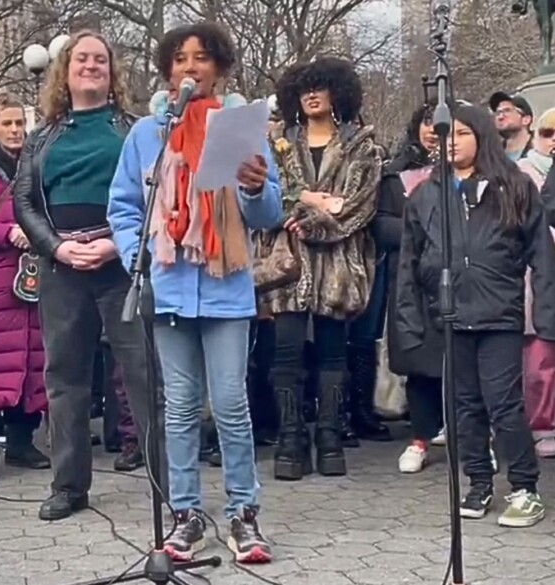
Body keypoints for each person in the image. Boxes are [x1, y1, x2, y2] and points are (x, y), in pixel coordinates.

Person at [108, 22, 282, 563]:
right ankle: (186, 516)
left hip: (227, 287)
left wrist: (255, 189)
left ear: (220, 67)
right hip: (169, 288)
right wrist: (139, 251)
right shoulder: (145, 134)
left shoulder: (242, 126)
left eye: (202, 58)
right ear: (167, 70)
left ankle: (243, 514)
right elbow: (123, 206)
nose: (190, 67)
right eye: (180, 58)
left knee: (230, 404)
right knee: (179, 408)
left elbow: (270, 211)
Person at [13, 30, 155, 522]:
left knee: (143, 374)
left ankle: (169, 490)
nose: (91, 66)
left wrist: (119, 244)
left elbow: (155, 194)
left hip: (122, 265)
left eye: (100, 59)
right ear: (64, 71)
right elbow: (24, 201)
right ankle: (69, 486)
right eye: (81, 59)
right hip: (62, 266)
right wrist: (57, 247)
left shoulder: (135, 131)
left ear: (112, 71)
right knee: (66, 380)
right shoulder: (42, 137)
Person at [397, 104, 555, 527]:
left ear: (482, 136)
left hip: (499, 312)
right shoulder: (427, 194)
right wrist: (410, 319)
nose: (453, 142)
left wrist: (545, 315)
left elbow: (541, 253)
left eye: (463, 133)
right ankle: (478, 482)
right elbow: (410, 260)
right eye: (446, 134)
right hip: (450, 314)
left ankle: (525, 487)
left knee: (503, 403)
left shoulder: (515, 186)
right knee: (463, 406)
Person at [255, 58, 382, 480]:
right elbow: (270, 197)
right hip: (287, 263)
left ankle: (329, 436)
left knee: (333, 351)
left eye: (321, 87)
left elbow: (357, 204)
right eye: (305, 88)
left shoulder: (361, 144)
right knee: (286, 351)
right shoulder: (275, 142)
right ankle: (291, 438)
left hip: (338, 264)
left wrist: (312, 214)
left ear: (336, 93)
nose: (312, 95)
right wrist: (315, 202)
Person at [0, 93, 49, 486]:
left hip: (35, 277)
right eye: (8, 124)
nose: (16, 130)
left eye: (20, 123)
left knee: (35, 357)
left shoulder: (36, 167)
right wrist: (7, 233)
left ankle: (22, 440)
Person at [374, 102, 445, 474]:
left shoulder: (472, 172)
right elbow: (382, 226)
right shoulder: (395, 174)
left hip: (457, 281)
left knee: (462, 362)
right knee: (417, 363)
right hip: (411, 281)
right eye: (426, 123)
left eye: (440, 124)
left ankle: (469, 437)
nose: (432, 130)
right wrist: (418, 228)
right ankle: (419, 438)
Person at [517, 107, 555, 458]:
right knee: (540, 357)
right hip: (544, 270)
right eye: (548, 134)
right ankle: (542, 424)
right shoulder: (526, 172)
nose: (554, 141)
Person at [489, 92, 533, 161]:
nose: (500, 117)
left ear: (526, 120)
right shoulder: (493, 154)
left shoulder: (542, 148)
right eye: (498, 113)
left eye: (507, 111)